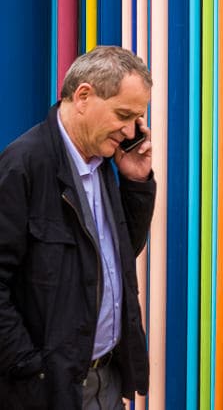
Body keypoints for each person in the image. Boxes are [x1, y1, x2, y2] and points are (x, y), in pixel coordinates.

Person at [0, 46, 156, 409]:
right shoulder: (23, 167)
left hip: (106, 380)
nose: (131, 130)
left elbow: (117, 256)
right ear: (84, 96)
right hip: (50, 389)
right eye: (124, 114)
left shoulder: (103, 162)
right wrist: (29, 369)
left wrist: (135, 183)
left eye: (137, 119)